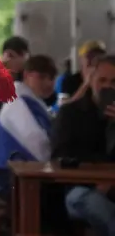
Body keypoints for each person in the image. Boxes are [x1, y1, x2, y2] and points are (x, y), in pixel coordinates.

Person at [52, 55, 115, 235]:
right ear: (91, 80)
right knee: (98, 207)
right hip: (80, 187)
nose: (107, 86)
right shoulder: (70, 113)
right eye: (102, 80)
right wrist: (98, 179)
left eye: (113, 81)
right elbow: (59, 156)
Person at [0, 55, 57, 198]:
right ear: (27, 75)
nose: (47, 83)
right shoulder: (17, 100)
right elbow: (37, 142)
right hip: (11, 178)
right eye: (42, 77)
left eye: (51, 78)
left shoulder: (32, 101)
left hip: (26, 173)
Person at [59, 40, 106, 105]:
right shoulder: (69, 80)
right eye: (90, 56)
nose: (94, 59)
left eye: (99, 55)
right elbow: (63, 106)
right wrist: (85, 85)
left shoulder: (107, 79)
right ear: (81, 59)